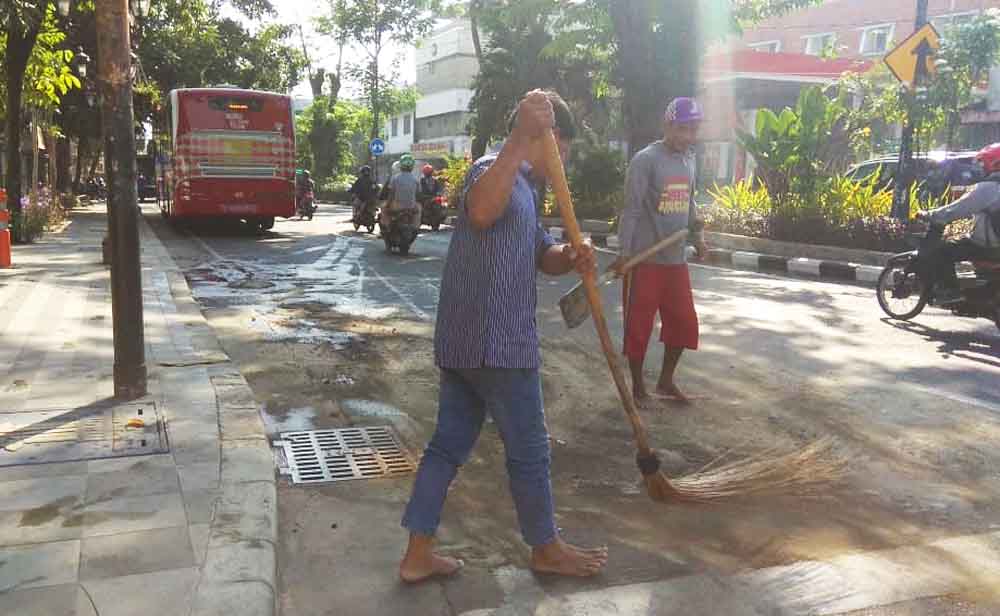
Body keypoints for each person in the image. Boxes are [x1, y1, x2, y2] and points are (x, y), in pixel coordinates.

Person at [398, 89, 608, 584]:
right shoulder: (491, 169)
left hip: (469, 344)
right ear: (548, 139)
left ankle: (417, 554)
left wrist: (571, 256)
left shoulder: (528, 192)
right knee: (530, 450)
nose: (563, 163)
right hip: (497, 343)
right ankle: (546, 548)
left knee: (447, 446)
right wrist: (519, 136)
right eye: (563, 150)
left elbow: (542, 255)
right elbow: (480, 211)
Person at [612, 97, 708, 408]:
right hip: (646, 260)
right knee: (639, 327)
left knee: (684, 324)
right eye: (682, 129)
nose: (688, 136)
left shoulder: (689, 159)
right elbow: (631, 209)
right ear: (668, 125)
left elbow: (690, 202)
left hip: (675, 259)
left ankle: (665, 382)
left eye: (693, 129)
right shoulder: (645, 160)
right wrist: (624, 252)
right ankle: (638, 388)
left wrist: (699, 235)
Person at [926, 143, 1000, 304]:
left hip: (988, 246)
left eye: (983, 164)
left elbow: (957, 209)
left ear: (994, 164)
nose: (980, 168)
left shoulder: (988, 188)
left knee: (941, 251)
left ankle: (949, 291)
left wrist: (930, 214)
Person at [380, 154, 421, 229]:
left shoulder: (395, 178)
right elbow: (418, 194)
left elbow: (391, 194)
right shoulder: (415, 179)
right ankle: (416, 227)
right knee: (419, 209)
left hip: (397, 206)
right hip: (411, 206)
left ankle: (386, 227)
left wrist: (387, 204)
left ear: (401, 166)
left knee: (383, 208)